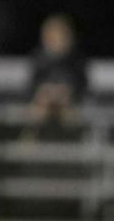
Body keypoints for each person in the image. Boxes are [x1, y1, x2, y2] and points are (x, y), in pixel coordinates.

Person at [21, 13, 89, 141]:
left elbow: (83, 86)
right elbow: (31, 86)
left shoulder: (76, 59)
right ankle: (27, 149)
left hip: (69, 104)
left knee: (69, 111)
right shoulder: (39, 58)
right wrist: (46, 92)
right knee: (39, 107)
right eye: (50, 36)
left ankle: (77, 145)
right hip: (43, 103)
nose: (54, 40)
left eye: (57, 36)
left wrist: (66, 93)